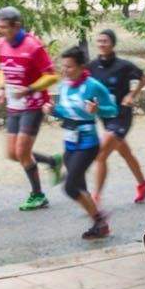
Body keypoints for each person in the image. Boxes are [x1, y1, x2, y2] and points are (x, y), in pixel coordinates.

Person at [0, 6, 62, 211]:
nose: (0, 31)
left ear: (16, 26)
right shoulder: (1, 44)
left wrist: (29, 89)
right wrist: (1, 88)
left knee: (22, 151)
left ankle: (38, 195)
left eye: (3, 27)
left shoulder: (33, 46)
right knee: (12, 153)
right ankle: (52, 161)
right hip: (14, 104)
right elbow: (2, 69)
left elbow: (52, 76)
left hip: (33, 103)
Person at [51, 46, 115, 240]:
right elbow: (64, 111)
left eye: (69, 67)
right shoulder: (64, 86)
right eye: (63, 66)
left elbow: (112, 109)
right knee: (80, 187)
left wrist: (98, 110)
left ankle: (99, 219)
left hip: (88, 143)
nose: (65, 71)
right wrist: (52, 110)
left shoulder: (93, 86)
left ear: (80, 66)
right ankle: (99, 224)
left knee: (70, 187)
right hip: (70, 142)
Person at [87, 28, 145, 205]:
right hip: (106, 117)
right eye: (99, 41)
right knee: (126, 153)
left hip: (122, 117)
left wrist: (132, 95)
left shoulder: (124, 66)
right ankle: (143, 184)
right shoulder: (92, 67)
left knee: (100, 155)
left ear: (113, 44)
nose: (101, 44)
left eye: (105, 41)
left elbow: (144, 78)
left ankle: (95, 197)